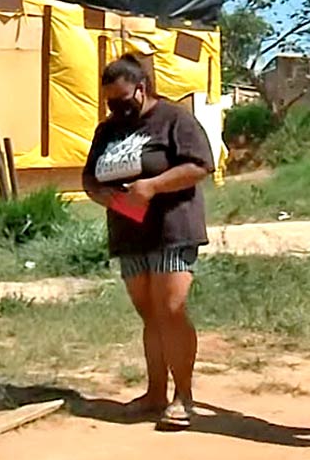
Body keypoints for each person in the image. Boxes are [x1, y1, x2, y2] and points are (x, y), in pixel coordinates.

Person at [81, 55, 216, 430]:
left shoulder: (175, 119)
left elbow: (201, 164)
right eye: (110, 101)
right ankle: (155, 392)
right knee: (150, 314)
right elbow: (89, 178)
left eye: (123, 99)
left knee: (171, 308)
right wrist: (103, 196)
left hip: (172, 227)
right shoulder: (107, 130)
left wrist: (154, 186)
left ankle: (183, 397)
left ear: (142, 89)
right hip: (129, 231)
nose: (117, 107)